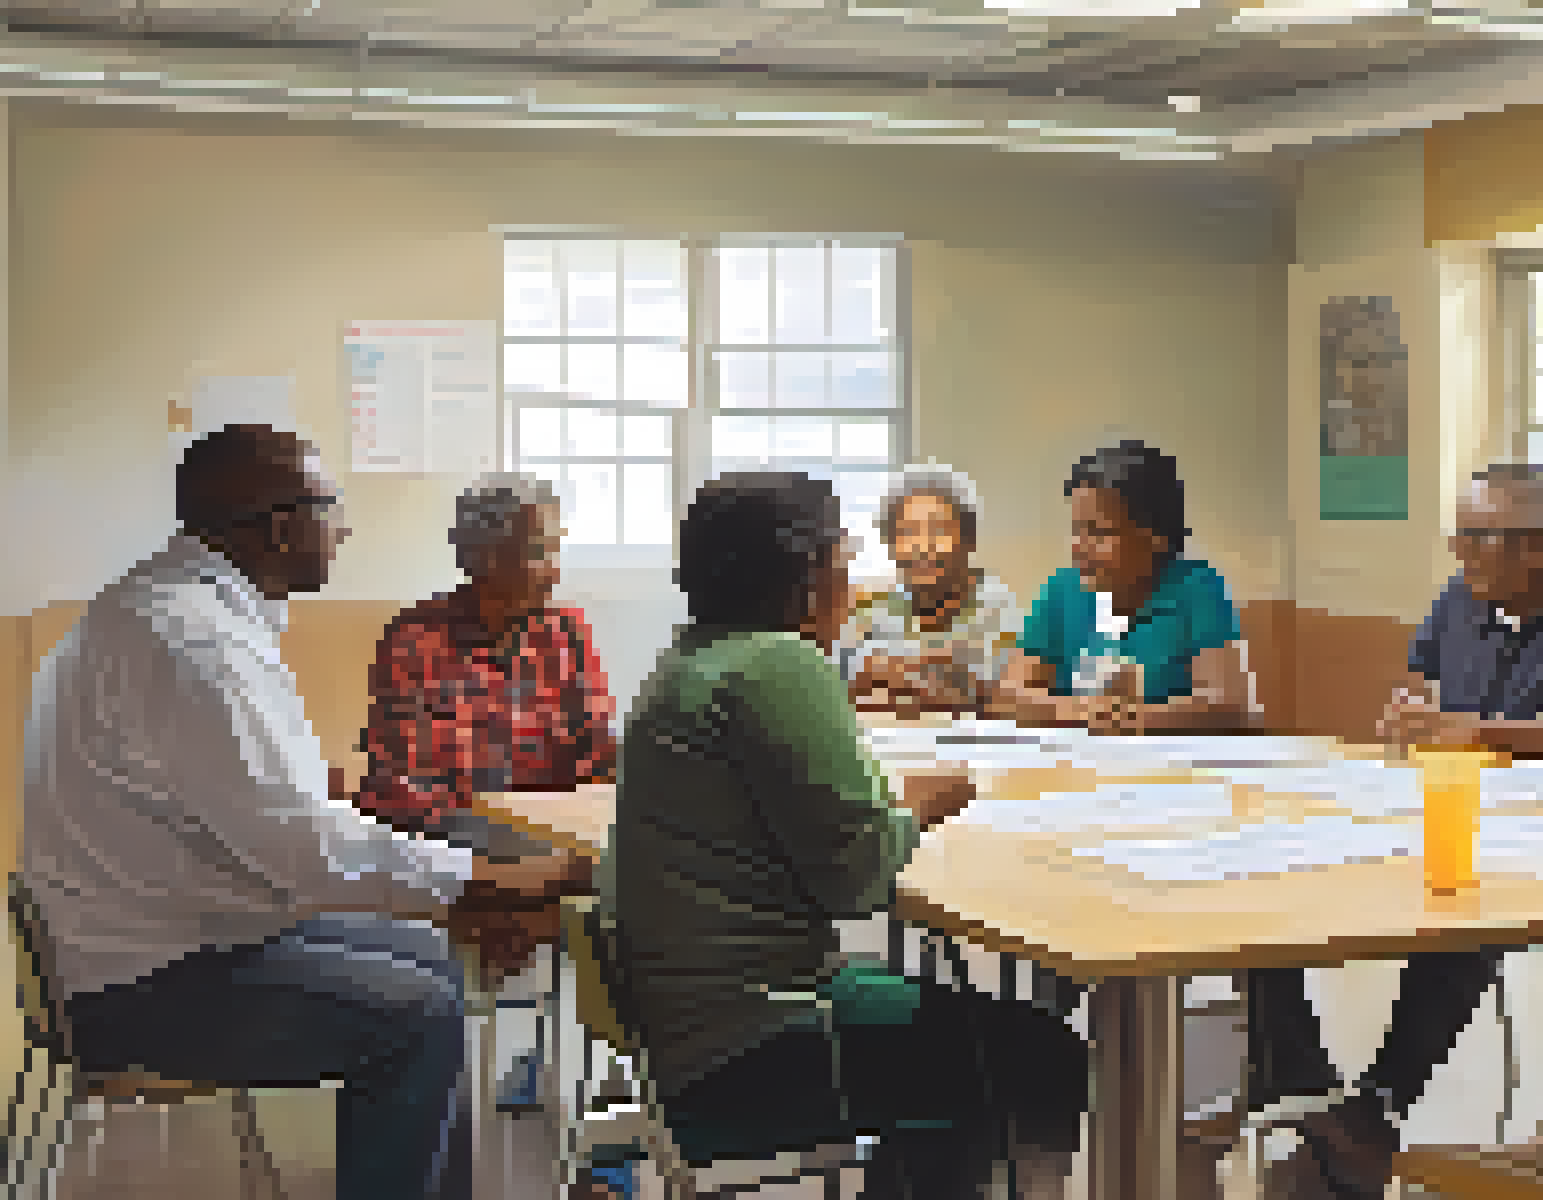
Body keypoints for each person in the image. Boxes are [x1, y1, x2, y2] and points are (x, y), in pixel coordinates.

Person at [19, 425, 592, 1200]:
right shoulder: (197, 645)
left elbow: (278, 828)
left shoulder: (164, 611)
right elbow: (309, 853)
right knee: (417, 1015)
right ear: (281, 525)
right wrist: (501, 881)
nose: (345, 528)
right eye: (332, 507)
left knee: (428, 961)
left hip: (157, 936)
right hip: (139, 984)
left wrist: (476, 890)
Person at [610, 472, 1088, 1200]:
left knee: (949, 1022)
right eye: (842, 551)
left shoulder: (688, 661)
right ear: (804, 570)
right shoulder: (779, 664)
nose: (850, 571)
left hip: (686, 1033)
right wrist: (919, 809)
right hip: (755, 1048)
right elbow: (858, 879)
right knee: (1042, 1052)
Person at [1243, 461, 1543, 1198]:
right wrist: (1405, 716)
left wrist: (1477, 731)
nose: (1462, 553)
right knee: (1267, 877)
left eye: (1480, 538)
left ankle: (1374, 1108)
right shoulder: (1461, 601)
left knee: (1465, 912)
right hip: (1458, 808)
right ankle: (1306, 1088)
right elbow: (1418, 685)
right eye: (1461, 536)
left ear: (1536, 548)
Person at [354, 473, 619, 1112]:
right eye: (536, 552)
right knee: (568, 889)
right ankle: (543, 1062)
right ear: (478, 555)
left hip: (552, 838)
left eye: (555, 550)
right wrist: (507, 864)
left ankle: (583, 1075)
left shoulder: (567, 634)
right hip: (457, 838)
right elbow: (402, 793)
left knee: (642, 874)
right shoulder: (415, 641)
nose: (552, 571)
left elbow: (599, 757)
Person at [992, 439, 1256, 733]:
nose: (1079, 547)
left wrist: (1131, 717)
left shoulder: (1197, 588)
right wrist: (1079, 710)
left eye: (1099, 532)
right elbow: (1009, 695)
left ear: (1157, 537)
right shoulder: (1062, 590)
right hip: (1074, 765)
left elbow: (1230, 706)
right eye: (1076, 530)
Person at [844, 464, 1025, 716]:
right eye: (906, 532)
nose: (922, 545)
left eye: (938, 530)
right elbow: (860, 687)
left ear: (968, 538)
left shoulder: (997, 609)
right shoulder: (882, 611)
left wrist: (903, 676)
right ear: (891, 546)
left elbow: (1007, 697)